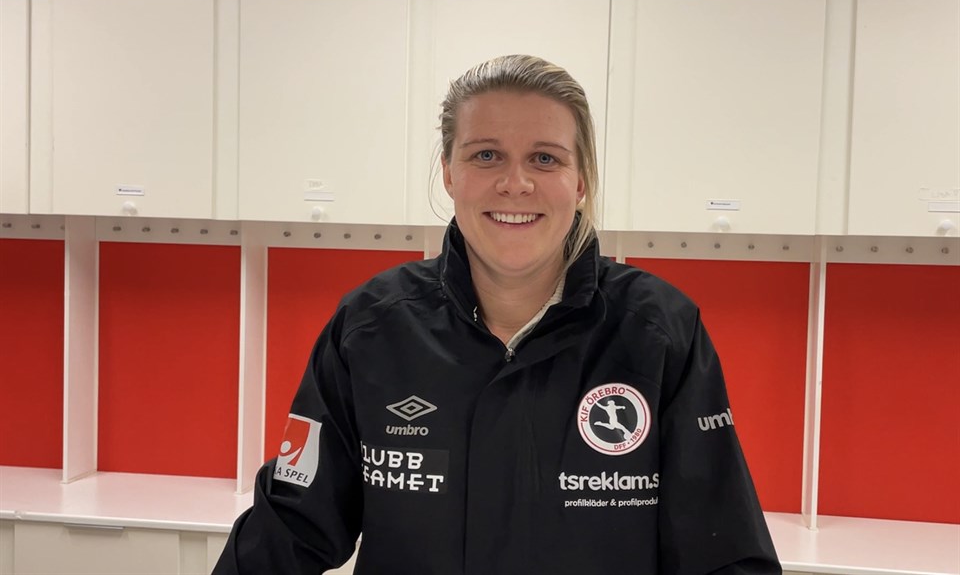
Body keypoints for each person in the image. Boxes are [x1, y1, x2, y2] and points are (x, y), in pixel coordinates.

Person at [214, 54, 781, 574]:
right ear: (449, 172)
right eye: (486, 155)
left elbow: (724, 554)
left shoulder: (659, 331)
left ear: (580, 180)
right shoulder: (371, 328)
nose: (516, 184)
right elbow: (290, 527)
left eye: (545, 158)